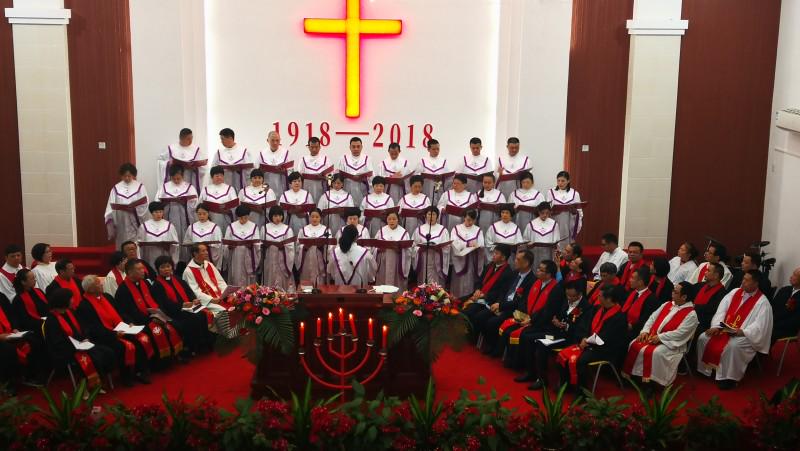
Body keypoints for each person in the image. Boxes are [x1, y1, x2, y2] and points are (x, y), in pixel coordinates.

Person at [696, 270, 773, 390]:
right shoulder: (734, 292)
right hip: (723, 328)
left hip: (744, 335)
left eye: (747, 280)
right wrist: (717, 326)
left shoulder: (763, 303)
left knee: (732, 346)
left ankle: (728, 378)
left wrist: (742, 331)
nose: (743, 282)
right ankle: (707, 370)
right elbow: (721, 310)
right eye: (743, 279)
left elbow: (760, 326)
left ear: (756, 283)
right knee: (703, 338)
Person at [77, 275, 153, 386]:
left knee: (140, 338)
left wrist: (129, 322)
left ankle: (141, 371)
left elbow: (120, 312)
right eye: (98, 283)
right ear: (91, 289)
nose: (102, 284)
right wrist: (114, 334)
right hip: (105, 335)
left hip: (120, 328)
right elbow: (94, 328)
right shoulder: (84, 306)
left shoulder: (107, 297)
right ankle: (126, 376)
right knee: (122, 346)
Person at [517, 280, 591, 390]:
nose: (570, 298)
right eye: (568, 295)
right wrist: (555, 320)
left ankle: (542, 379)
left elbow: (582, 329)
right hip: (555, 333)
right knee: (528, 338)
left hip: (569, 338)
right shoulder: (565, 301)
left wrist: (565, 326)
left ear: (580, 294)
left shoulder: (586, 307)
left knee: (542, 345)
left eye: (573, 296)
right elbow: (558, 313)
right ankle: (530, 372)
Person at [623, 281, 698, 387]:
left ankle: (652, 384)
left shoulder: (691, 314)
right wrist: (644, 331)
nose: (672, 293)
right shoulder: (667, 304)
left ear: (684, 297)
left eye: (675, 292)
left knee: (656, 353)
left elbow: (680, 333)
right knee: (633, 344)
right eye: (672, 290)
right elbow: (652, 318)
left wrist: (660, 337)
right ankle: (634, 378)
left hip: (671, 343)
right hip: (653, 336)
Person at [557, 285, 627, 392]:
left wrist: (588, 343)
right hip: (589, 343)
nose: (597, 298)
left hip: (605, 349)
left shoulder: (619, 317)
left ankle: (582, 392)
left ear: (608, 299)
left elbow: (607, 337)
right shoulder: (597, 309)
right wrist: (584, 338)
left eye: (600, 296)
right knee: (564, 354)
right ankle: (566, 386)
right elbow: (585, 325)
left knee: (581, 360)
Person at [45, 288, 116, 391]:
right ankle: (89, 386)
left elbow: (82, 328)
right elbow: (56, 342)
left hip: (81, 344)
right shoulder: (52, 320)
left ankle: (101, 380)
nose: (73, 301)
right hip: (66, 350)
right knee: (94, 358)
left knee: (107, 352)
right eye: (71, 299)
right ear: (63, 301)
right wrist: (76, 346)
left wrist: (85, 338)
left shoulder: (71, 312)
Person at [114, 259, 185, 362]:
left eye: (143, 268)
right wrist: (151, 319)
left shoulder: (145, 283)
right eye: (139, 269)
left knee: (174, 325)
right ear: (130, 272)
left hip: (153, 317)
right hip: (139, 322)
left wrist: (159, 315)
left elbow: (155, 301)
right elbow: (129, 312)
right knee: (157, 331)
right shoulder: (123, 290)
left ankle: (174, 355)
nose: (143, 271)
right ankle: (160, 362)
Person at [500, 260, 564, 365]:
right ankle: (510, 359)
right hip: (529, 317)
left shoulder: (556, 289)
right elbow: (525, 301)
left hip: (543, 324)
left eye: (541, 270)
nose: (537, 271)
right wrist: (522, 315)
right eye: (538, 268)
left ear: (548, 274)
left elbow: (547, 312)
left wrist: (531, 321)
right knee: (508, 329)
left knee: (524, 334)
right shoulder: (537, 282)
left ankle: (521, 363)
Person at [150, 256, 215, 354]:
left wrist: (194, 299)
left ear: (172, 267)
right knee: (194, 317)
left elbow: (188, 291)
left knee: (202, 314)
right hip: (173, 312)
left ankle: (204, 344)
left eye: (168, 266)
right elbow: (164, 302)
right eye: (163, 267)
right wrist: (182, 305)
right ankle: (193, 347)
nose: (166, 269)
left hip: (187, 308)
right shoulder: (156, 285)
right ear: (158, 269)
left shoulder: (177, 278)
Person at [479, 250, 537, 355]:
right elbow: (503, 291)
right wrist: (498, 303)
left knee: (492, 322)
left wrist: (501, 306)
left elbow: (520, 301)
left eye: (518, 260)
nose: (515, 261)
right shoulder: (514, 273)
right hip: (502, 304)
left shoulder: (532, 280)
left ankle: (495, 348)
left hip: (514, 310)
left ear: (527, 263)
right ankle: (487, 343)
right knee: (481, 316)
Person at [462, 244, 516, 331]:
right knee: (457, 301)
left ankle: (470, 335)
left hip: (489, 301)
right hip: (479, 295)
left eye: (496, 253)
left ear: (503, 257)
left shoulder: (508, 273)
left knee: (470, 311)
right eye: (493, 253)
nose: (493, 255)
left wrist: (484, 295)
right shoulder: (490, 265)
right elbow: (479, 281)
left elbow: (500, 293)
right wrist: (478, 289)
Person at [157, 164, 199, 262]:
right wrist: (166, 202)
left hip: (184, 217)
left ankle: (184, 261)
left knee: (183, 237)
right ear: (170, 177)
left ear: (183, 175)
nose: (176, 181)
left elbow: (194, 203)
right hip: (170, 216)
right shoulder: (164, 187)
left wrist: (185, 202)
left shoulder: (189, 187)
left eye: (178, 178)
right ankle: (171, 261)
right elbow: (158, 202)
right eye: (174, 179)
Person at [104, 163, 149, 249]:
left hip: (135, 220)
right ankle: (123, 261)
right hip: (122, 221)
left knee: (135, 244)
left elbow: (145, 204)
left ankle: (135, 260)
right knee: (122, 243)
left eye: (129, 176)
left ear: (133, 175)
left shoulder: (140, 187)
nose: (127, 178)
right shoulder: (116, 188)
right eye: (125, 176)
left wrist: (134, 209)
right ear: (121, 176)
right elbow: (110, 206)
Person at [450, 210, 486, 298]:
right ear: (464, 217)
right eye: (468, 219)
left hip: (471, 259)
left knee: (469, 281)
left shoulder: (478, 230)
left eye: (473, 220)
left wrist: (478, 246)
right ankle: (455, 298)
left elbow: (481, 244)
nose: (470, 222)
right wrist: (467, 244)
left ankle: (467, 299)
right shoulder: (456, 228)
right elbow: (454, 242)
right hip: (459, 259)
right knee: (458, 282)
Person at [224, 205, 262, 287]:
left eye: (245, 217)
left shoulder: (254, 226)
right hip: (236, 257)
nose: (243, 220)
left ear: (248, 216)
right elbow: (226, 244)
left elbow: (257, 244)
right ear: (237, 217)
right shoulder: (231, 227)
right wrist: (229, 247)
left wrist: (252, 246)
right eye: (241, 218)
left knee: (249, 280)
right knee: (236, 276)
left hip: (249, 255)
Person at [182, 243, 228, 311]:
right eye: (203, 251)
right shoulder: (188, 271)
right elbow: (195, 291)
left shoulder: (209, 264)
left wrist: (226, 293)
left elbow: (220, 281)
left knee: (236, 301)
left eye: (206, 250)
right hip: (205, 301)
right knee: (222, 309)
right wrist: (211, 299)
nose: (207, 253)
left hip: (219, 296)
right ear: (195, 254)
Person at [158, 128, 206, 192]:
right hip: (174, 181)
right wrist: (168, 163)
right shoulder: (171, 148)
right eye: (188, 139)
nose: (191, 141)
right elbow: (160, 161)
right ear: (181, 138)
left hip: (189, 181)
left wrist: (195, 168)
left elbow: (203, 169)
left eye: (192, 138)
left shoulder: (196, 150)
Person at [372, 211, 412, 288]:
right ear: (386, 220)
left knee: (396, 284)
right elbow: (374, 247)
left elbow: (408, 250)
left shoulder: (403, 232)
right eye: (389, 219)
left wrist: (401, 250)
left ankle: (397, 298)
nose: (391, 221)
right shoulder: (381, 231)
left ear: (398, 220)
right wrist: (379, 250)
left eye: (394, 219)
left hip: (397, 261)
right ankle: (383, 298)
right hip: (384, 260)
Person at [621, 267, 661, 342]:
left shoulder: (651, 299)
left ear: (640, 282)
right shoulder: (632, 292)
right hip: (623, 325)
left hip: (635, 331)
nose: (630, 280)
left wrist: (630, 326)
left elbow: (646, 320)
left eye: (632, 278)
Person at [413, 207, 451, 286]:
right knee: (423, 283)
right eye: (429, 214)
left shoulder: (443, 230)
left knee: (436, 285)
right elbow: (413, 246)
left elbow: (447, 247)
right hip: (423, 259)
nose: (431, 217)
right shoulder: (419, 229)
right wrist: (419, 249)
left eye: (433, 214)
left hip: (437, 260)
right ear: (425, 216)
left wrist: (439, 249)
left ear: (437, 216)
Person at [546, 171, 584, 250]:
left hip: (569, 224)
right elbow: (546, 210)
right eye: (558, 180)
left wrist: (574, 211)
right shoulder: (551, 192)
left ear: (568, 181)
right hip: (555, 222)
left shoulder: (574, 193)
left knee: (567, 246)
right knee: (555, 246)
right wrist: (552, 211)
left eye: (563, 181)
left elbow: (579, 212)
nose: (560, 183)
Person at [295, 208, 333, 286]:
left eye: (317, 217)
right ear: (309, 217)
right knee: (306, 282)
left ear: (320, 218)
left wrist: (322, 247)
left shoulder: (326, 230)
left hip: (320, 260)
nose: (314, 219)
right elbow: (298, 246)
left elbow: (330, 247)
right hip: (306, 259)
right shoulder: (303, 230)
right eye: (312, 217)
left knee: (320, 282)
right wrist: (304, 247)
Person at [261, 206, 296, 291]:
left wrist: (283, 247)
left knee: (281, 279)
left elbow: (291, 246)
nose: (278, 218)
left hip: (283, 259)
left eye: (280, 216)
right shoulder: (264, 228)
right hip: (270, 258)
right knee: (270, 277)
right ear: (271, 216)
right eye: (275, 216)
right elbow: (260, 244)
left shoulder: (287, 229)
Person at [137, 201, 179, 268]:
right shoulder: (144, 226)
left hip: (165, 254)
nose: (159, 214)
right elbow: (139, 245)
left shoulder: (169, 225)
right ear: (151, 212)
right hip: (149, 255)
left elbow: (175, 244)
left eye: (160, 212)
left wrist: (169, 248)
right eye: (156, 212)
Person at [183, 204, 225, 270]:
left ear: (208, 213)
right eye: (199, 214)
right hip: (196, 257)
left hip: (209, 257)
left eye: (204, 214)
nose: (202, 216)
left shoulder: (215, 227)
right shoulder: (191, 227)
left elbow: (219, 247)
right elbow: (187, 242)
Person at [199, 165, 239, 233]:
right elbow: (200, 205)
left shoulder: (230, 189)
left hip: (225, 218)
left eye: (221, 175)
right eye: (217, 175)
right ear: (212, 177)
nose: (219, 177)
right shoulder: (206, 189)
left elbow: (235, 205)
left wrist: (228, 211)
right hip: (210, 219)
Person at [211, 128, 253, 192]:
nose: (221, 141)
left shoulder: (244, 151)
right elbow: (213, 170)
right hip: (224, 187)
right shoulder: (219, 153)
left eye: (222, 139)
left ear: (230, 138)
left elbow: (250, 170)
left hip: (241, 186)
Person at [692, 262, 728, 332]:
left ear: (716, 275)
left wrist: (694, 306)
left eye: (708, 271)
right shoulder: (700, 285)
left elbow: (711, 310)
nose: (705, 272)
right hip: (691, 319)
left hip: (704, 326)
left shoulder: (722, 294)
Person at [415, 138, 453, 205]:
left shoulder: (443, 161)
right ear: (428, 149)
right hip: (427, 188)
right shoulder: (423, 161)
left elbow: (449, 178)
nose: (436, 151)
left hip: (439, 188)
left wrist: (443, 177)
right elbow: (417, 177)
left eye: (438, 149)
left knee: (438, 206)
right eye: (434, 149)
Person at [295, 137, 333, 204]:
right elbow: (298, 176)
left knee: (320, 205)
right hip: (307, 187)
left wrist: (324, 177)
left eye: (316, 147)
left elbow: (331, 177)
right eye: (312, 147)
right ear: (308, 147)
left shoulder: (326, 159)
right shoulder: (303, 160)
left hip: (321, 187)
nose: (314, 149)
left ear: (320, 147)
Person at [336, 137, 373, 206]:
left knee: (361, 209)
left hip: (362, 189)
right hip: (347, 188)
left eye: (358, 146)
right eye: (353, 146)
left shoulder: (367, 159)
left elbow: (371, 177)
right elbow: (338, 176)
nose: (356, 149)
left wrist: (363, 178)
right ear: (350, 147)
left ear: (362, 147)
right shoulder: (343, 159)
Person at [524, 202, 560, 269]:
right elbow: (525, 240)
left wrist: (555, 246)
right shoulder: (531, 224)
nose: (545, 215)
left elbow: (557, 241)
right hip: (535, 253)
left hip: (548, 253)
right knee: (535, 268)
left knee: (547, 268)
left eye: (547, 213)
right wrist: (529, 245)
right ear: (538, 212)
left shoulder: (554, 224)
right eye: (542, 213)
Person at [11, 269, 49, 333]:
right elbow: (24, 320)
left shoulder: (39, 291)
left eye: (34, 277)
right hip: (33, 328)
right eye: (32, 278)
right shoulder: (18, 299)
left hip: (46, 321)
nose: (35, 280)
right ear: (23, 282)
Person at [770, 267, 800, 343]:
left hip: (786, 330)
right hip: (772, 323)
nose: (791, 276)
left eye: (795, 275)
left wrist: (774, 325)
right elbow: (772, 307)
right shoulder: (784, 290)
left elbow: (795, 321)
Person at [280, 172, 315, 236]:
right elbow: (280, 211)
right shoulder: (285, 195)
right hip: (290, 221)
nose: (297, 183)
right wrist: (288, 212)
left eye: (299, 181)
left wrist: (305, 214)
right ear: (290, 183)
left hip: (303, 221)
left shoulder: (307, 194)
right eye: (294, 181)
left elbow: (312, 210)